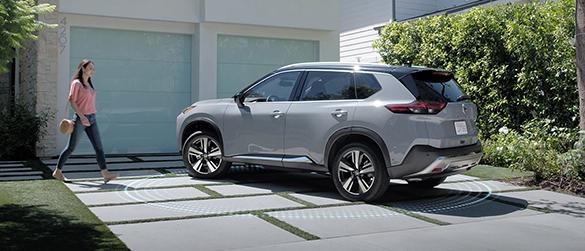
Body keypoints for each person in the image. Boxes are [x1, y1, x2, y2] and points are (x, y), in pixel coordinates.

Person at [52, 59, 118, 183]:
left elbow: (88, 101)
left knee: (99, 147)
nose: (92, 71)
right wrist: (82, 116)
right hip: (81, 119)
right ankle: (58, 171)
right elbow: (72, 100)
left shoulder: (89, 84)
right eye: (90, 68)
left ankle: (105, 173)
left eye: (93, 69)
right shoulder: (76, 83)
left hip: (92, 118)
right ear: (83, 68)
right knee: (71, 147)